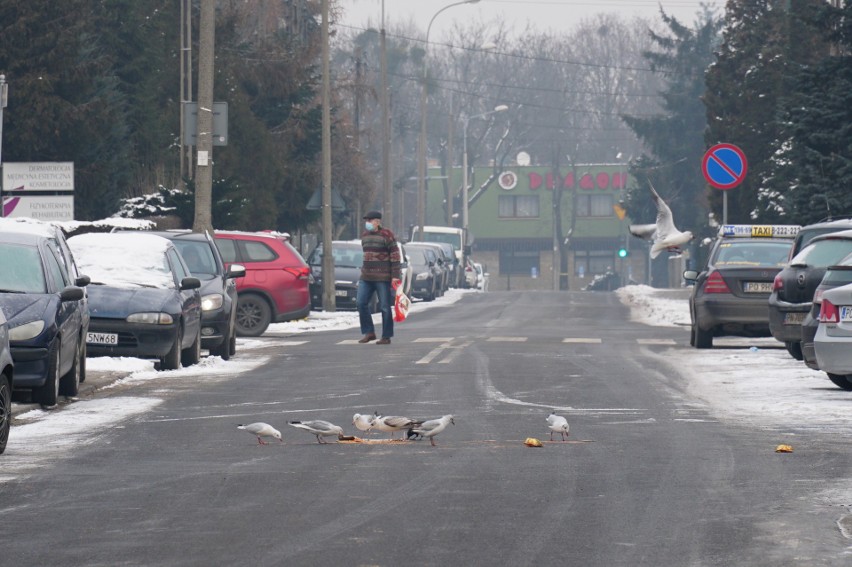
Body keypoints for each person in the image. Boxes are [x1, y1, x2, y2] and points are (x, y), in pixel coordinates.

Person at [357, 211, 401, 345]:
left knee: (385, 307)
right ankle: (369, 332)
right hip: (366, 276)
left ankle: (386, 336)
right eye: (367, 221)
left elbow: (395, 256)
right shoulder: (364, 236)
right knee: (360, 303)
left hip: (382, 277)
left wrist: (395, 276)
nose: (368, 223)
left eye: (370, 220)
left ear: (377, 222)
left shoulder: (387, 235)